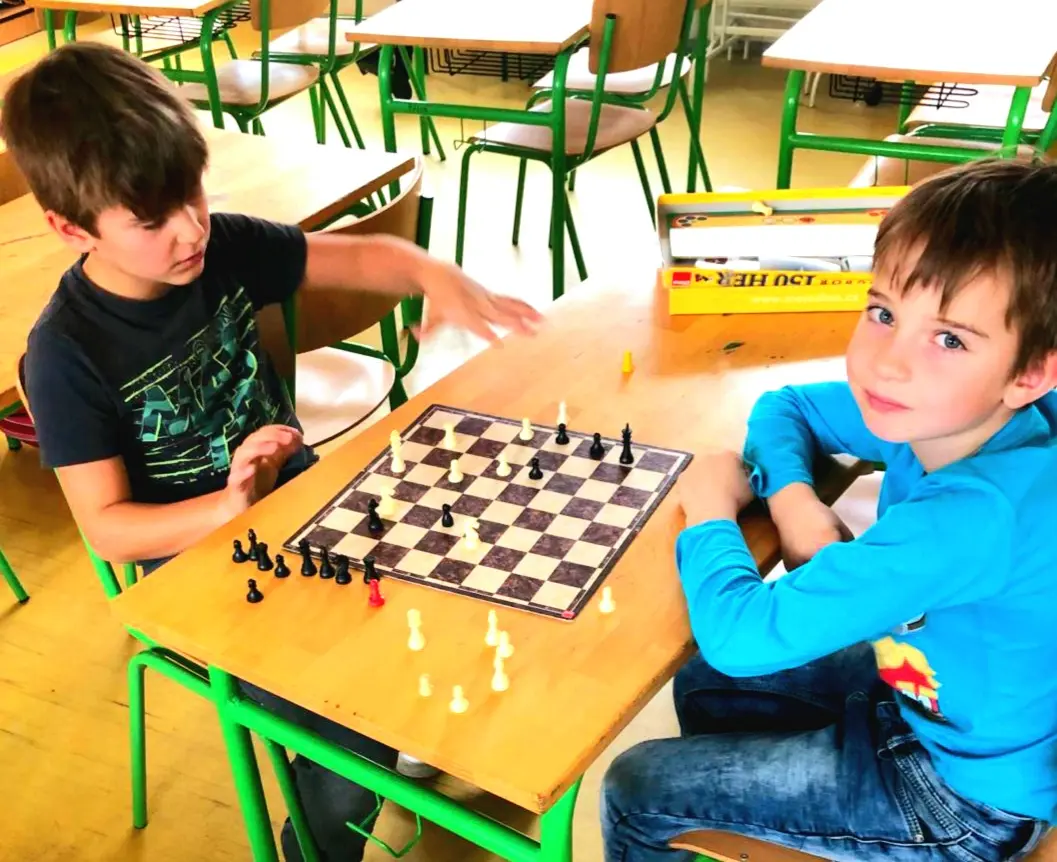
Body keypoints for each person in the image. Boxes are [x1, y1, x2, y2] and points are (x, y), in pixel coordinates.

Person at [0, 42, 541, 861]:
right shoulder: (65, 354)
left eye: (192, 192)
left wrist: (427, 272)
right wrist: (228, 505)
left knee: (459, 579)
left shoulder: (221, 247)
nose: (190, 230)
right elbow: (109, 530)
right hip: (194, 568)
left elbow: (363, 255)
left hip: (301, 502)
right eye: (151, 221)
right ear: (71, 228)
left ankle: (414, 731)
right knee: (348, 732)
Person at [601, 158, 1057, 862]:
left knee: (636, 787)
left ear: (1030, 373)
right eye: (883, 313)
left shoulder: (972, 516)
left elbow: (741, 636)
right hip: (924, 689)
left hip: (964, 801)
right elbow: (786, 406)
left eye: (949, 339)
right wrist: (794, 503)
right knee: (705, 682)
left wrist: (709, 510)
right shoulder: (953, 414)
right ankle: (767, 821)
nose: (888, 362)